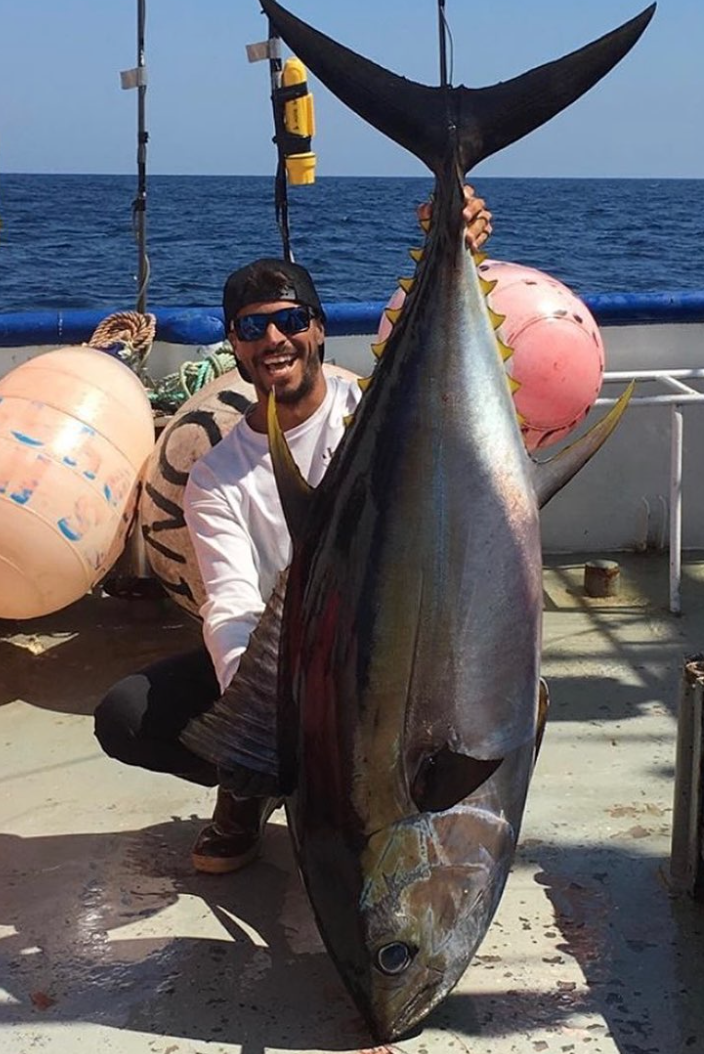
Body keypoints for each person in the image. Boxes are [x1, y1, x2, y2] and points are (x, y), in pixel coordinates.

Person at [94, 186, 493, 874]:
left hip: (404, 643)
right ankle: (248, 786)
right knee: (126, 716)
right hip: (288, 665)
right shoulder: (217, 476)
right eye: (251, 329)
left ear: (316, 328)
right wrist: (263, 709)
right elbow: (231, 607)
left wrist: (457, 243)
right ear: (235, 349)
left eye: (287, 320)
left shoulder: (374, 413)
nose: (272, 339)